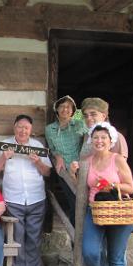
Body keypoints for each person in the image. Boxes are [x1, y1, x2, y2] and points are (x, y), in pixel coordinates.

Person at [70, 123, 133, 266]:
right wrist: (75, 173)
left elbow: (130, 187)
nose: (99, 141)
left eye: (103, 138)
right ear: (91, 140)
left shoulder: (117, 160)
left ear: (111, 141)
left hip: (118, 212)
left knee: (115, 257)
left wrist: (111, 185)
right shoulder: (87, 161)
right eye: (96, 137)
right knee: (89, 250)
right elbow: (81, 186)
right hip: (94, 211)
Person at [0, 114, 52, 266]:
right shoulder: (5, 145)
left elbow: (47, 172)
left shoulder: (38, 146)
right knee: (17, 237)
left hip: (36, 198)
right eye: (20, 126)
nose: (23, 130)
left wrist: (38, 162)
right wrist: (5, 157)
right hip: (13, 199)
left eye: (26, 127)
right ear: (14, 127)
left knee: (34, 237)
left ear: (31, 130)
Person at [45, 95, 87, 225]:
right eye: (62, 106)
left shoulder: (79, 124)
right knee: (73, 200)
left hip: (81, 168)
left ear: (73, 110)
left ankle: (84, 232)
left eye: (69, 107)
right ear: (56, 109)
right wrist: (57, 156)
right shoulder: (50, 129)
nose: (65, 109)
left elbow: (89, 139)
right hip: (63, 169)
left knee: (84, 200)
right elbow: (51, 148)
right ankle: (75, 234)